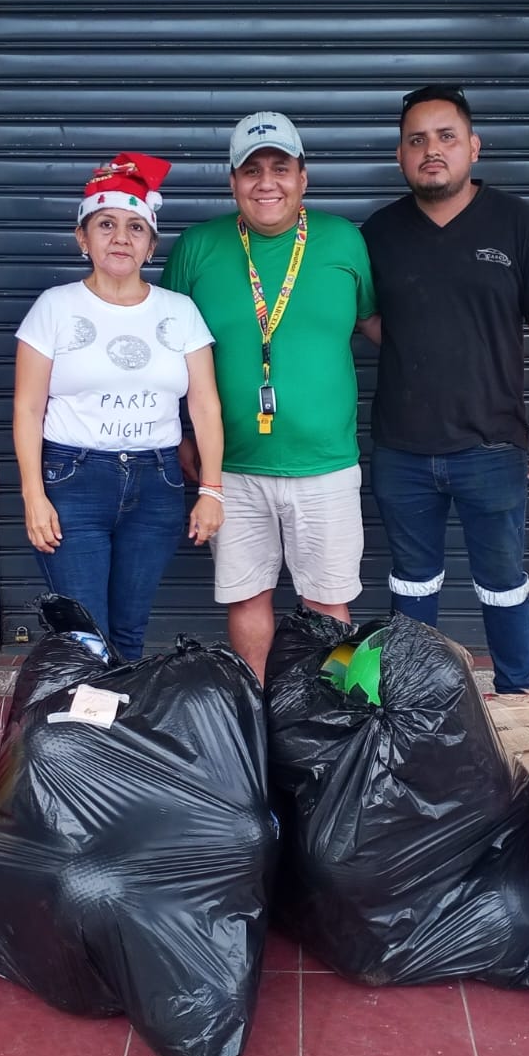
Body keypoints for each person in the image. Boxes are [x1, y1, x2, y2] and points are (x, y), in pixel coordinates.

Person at [360, 84, 529, 694]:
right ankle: (414, 699)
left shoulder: (516, 223)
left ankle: (516, 691)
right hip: (403, 447)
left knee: (503, 577)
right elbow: (368, 318)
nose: (432, 150)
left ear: (473, 147)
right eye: (417, 140)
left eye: (446, 136)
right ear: (401, 156)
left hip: (492, 445)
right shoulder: (379, 233)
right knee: (411, 579)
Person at [162, 112, 377, 680]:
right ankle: (257, 707)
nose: (266, 183)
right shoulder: (198, 247)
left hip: (326, 463)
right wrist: (181, 435)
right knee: (246, 596)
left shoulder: (344, 241)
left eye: (280, 168)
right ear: (232, 181)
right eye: (251, 170)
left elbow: (376, 322)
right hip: (231, 467)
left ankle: (332, 710)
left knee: (329, 602)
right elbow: (166, 348)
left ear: (303, 177)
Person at [13, 153, 224, 660]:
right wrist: (33, 494)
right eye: (105, 224)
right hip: (74, 480)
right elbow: (27, 409)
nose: (120, 238)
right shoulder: (55, 307)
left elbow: (204, 405)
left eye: (135, 227)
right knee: (85, 638)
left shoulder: (179, 311)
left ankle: (118, 714)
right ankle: (83, 713)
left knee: (129, 633)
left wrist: (212, 489)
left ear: (151, 244)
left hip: (157, 484)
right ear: (82, 238)